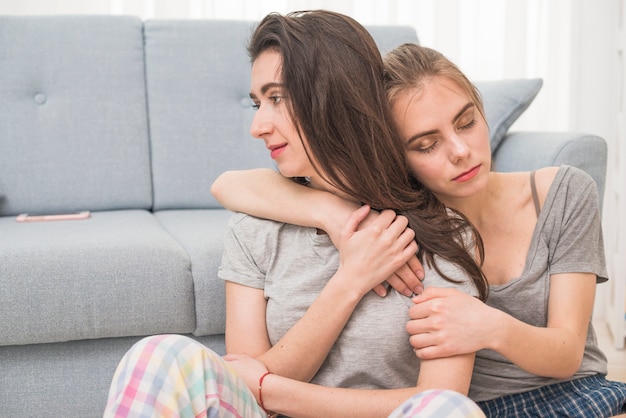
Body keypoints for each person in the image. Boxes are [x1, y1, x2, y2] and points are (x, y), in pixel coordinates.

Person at [104, 10, 488, 418]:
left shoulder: (438, 232)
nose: (257, 126)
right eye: (257, 103)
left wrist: (272, 391)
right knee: (160, 356)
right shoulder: (255, 229)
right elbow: (244, 383)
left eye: (276, 98)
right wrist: (350, 280)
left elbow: (441, 398)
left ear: (332, 96)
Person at [212, 42, 626, 417]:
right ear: (395, 155)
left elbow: (568, 353)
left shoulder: (562, 192)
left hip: (569, 393)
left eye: (466, 122)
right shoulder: (403, 214)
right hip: (467, 408)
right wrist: (333, 214)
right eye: (426, 145)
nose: (460, 152)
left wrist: (489, 326)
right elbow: (229, 184)